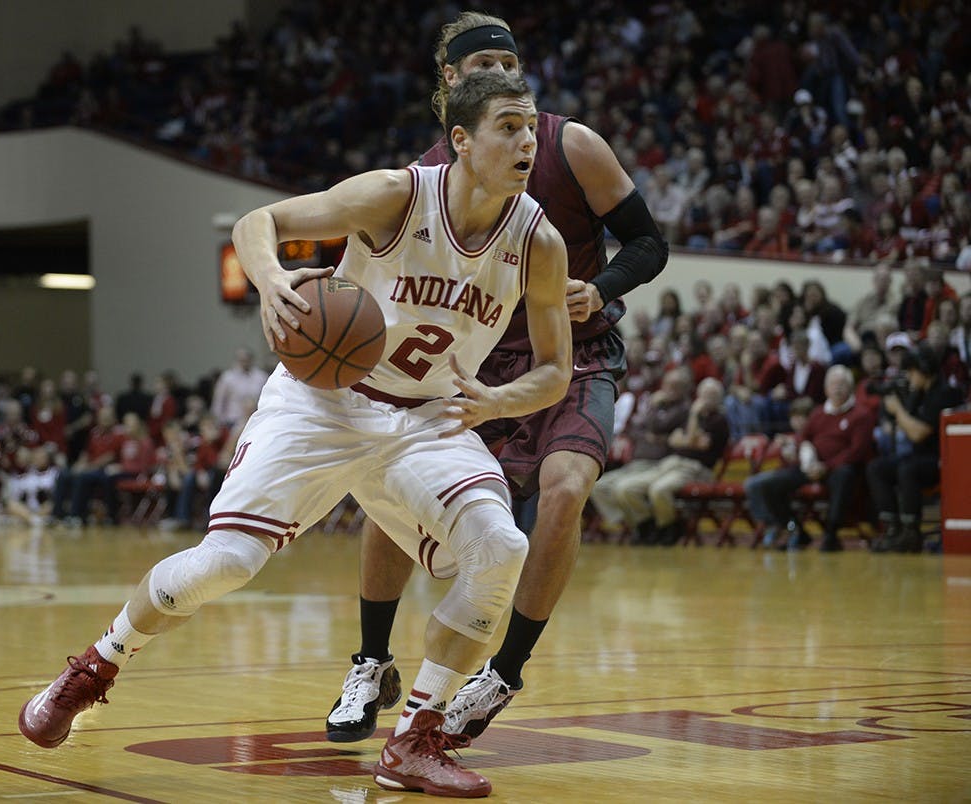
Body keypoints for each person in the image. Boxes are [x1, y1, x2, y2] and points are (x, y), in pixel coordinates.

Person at [19, 71, 573, 799]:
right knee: (226, 565)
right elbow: (260, 225)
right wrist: (273, 280)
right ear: (461, 141)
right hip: (322, 403)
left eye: (532, 126)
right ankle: (97, 663)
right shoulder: (396, 195)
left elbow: (558, 369)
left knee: (500, 547)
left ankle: (415, 738)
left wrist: (499, 398)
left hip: (427, 417)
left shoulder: (539, 242)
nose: (527, 140)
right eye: (509, 126)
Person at [325, 10, 668, 748]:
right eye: (481, 66)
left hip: (572, 354)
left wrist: (602, 287)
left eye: (507, 66)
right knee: (391, 482)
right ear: (449, 84)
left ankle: (502, 673)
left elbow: (650, 241)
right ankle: (372, 658)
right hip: (473, 363)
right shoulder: (425, 176)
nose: (499, 77)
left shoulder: (571, 143)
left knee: (567, 488)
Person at [745, 365, 875, 552]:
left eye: (842, 384)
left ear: (851, 387)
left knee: (844, 474)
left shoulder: (861, 415)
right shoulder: (818, 413)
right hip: (810, 467)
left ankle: (831, 533)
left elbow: (857, 451)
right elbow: (803, 438)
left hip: (839, 469)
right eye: (833, 384)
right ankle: (795, 529)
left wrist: (826, 467)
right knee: (768, 485)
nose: (837, 388)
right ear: (826, 388)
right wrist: (802, 455)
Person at [592, 377, 727, 546]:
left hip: (695, 469)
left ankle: (668, 527)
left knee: (658, 490)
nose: (706, 399)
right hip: (671, 463)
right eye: (704, 394)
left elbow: (694, 441)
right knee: (626, 489)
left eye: (712, 395)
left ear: (719, 398)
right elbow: (674, 441)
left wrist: (692, 420)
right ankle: (644, 524)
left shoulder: (718, 420)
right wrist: (686, 438)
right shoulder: (691, 417)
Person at [867, 344, 963, 553]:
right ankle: (893, 529)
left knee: (908, 469)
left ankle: (911, 533)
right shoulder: (918, 393)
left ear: (924, 370)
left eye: (911, 371)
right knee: (877, 467)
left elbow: (918, 432)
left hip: (943, 460)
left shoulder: (945, 393)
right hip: (919, 456)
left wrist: (898, 409)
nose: (909, 376)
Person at [210, 347, 268, 428]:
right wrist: (218, 421)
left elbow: (267, 398)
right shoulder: (227, 377)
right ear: (236, 360)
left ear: (251, 359)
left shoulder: (261, 376)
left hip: (255, 419)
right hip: (232, 420)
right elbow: (219, 400)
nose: (244, 362)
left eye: (246, 359)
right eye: (241, 359)